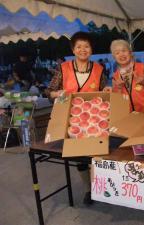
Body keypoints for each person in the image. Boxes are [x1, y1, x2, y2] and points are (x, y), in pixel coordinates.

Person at [45, 31, 108, 206]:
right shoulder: (63, 68)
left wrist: (108, 90)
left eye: (86, 46)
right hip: (71, 121)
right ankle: (89, 190)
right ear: (73, 49)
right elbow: (48, 91)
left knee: (95, 156)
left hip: (94, 121)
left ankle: (98, 188)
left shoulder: (99, 69)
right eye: (79, 46)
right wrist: (56, 93)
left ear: (91, 49)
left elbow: (104, 93)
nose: (83, 50)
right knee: (80, 158)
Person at [110, 39, 144, 113]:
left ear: (130, 53)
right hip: (128, 116)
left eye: (124, 51)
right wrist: (119, 88)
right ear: (114, 57)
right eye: (117, 53)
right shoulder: (115, 77)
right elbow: (117, 102)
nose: (121, 54)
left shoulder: (143, 68)